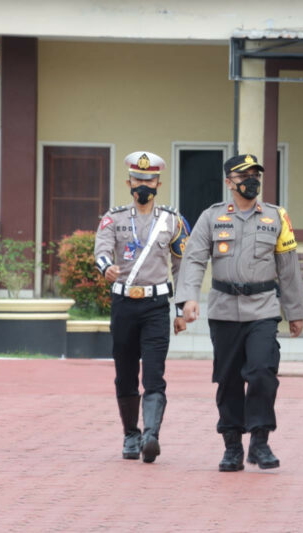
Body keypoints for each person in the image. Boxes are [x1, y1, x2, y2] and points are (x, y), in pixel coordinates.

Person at [174, 154, 303, 472]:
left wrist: (295, 310)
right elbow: (192, 259)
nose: (252, 180)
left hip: (262, 309)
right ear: (229, 182)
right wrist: (187, 299)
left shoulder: (277, 217)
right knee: (229, 380)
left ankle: (259, 442)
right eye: (244, 175)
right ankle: (232, 445)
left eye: (255, 175)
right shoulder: (212, 217)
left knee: (262, 372)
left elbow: (288, 268)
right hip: (224, 311)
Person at [94, 151, 191, 463]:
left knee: (153, 373)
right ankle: (130, 435)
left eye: (149, 179)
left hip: (155, 305)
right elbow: (101, 251)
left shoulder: (172, 221)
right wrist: (106, 267)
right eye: (138, 179)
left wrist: (180, 310)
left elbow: (183, 268)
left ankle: (151, 434)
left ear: (158, 183)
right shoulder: (114, 218)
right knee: (124, 373)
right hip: (123, 303)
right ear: (129, 182)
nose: (144, 184)